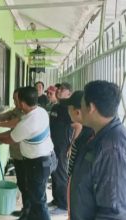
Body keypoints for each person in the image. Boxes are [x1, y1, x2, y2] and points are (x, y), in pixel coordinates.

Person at [70, 80, 126, 219]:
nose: (80, 109)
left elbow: (113, 213)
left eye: (82, 103)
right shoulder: (99, 135)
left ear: (91, 107)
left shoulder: (113, 149)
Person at [0, 86, 54, 220]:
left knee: (39, 203)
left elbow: (10, 138)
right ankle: (29, 216)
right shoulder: (41, 111)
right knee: (37, 197)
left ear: (22, 103)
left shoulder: (27, 123)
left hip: (38, 164)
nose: (16, 104)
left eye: (17, 101)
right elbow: (13, 127)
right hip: (46, 159)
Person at [0, 88, 27, 217]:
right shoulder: (17, 110)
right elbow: (7, 115)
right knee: (22, 183)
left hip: (24, 156)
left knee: (27, 186)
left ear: (23, 101)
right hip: (17, 154)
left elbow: (13, 128)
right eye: (14, 99)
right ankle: (25, 210)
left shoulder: (26, 115)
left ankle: (29, 212)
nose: (14, 102)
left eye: (16, 100)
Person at [59, 91, 94, 217]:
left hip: (82, 204)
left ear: (77, 112)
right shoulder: (86, 132)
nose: (67, 112)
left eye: (69, 108)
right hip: (76, 200)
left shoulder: (92, 138)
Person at [49, 82, 73, 213]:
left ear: (68, 93)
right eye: (58, 89)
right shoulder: (56, 106)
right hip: (52, 145)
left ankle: (64, 206)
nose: (58, 91)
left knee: (61, 174)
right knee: (54, 172)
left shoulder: (67, 108)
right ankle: (56, 200)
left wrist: (71, 146)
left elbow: (78, 126)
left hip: (62, 146)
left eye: (62, 89)